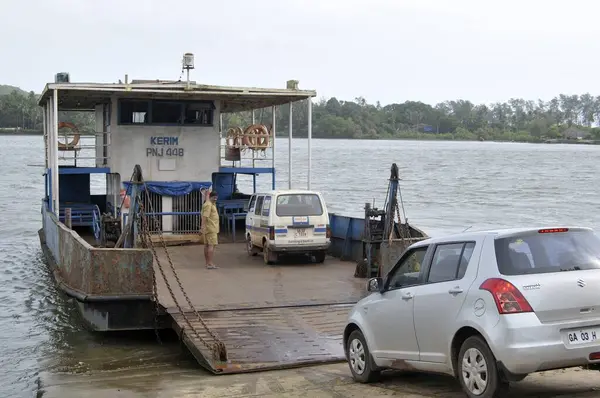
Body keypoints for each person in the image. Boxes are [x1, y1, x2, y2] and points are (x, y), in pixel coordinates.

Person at [201, 191, 220, 269]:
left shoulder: (210, 203)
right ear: (211, 197)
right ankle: (209, 263)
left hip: (211, 228)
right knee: (211, 246)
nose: (215, 199)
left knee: (207, 245)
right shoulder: (209, 205)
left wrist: (206, 195)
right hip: (210, 228)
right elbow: (204, 217)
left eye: (216, 198)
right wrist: (202, 227)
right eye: (214, 198)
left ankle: (208, 263)